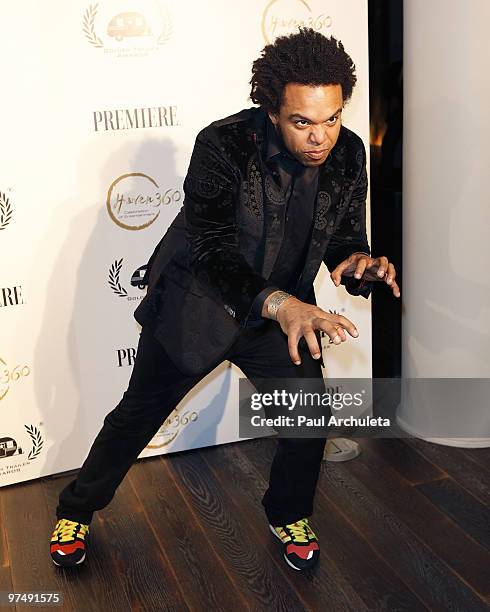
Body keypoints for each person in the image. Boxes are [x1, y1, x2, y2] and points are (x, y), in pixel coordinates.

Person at [50, 27, 400, 572]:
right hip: (199, 307)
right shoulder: (224, 144)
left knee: (308, 417)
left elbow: (343, 238)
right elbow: (210, 249)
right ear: (271, 111)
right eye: (303, 121)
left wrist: (361, 266)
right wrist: (282, 304)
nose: (321, 137)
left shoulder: (350, 154)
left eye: (332, 118)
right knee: (135, 419)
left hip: (280, 318)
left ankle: (287, 512)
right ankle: (76, 508)